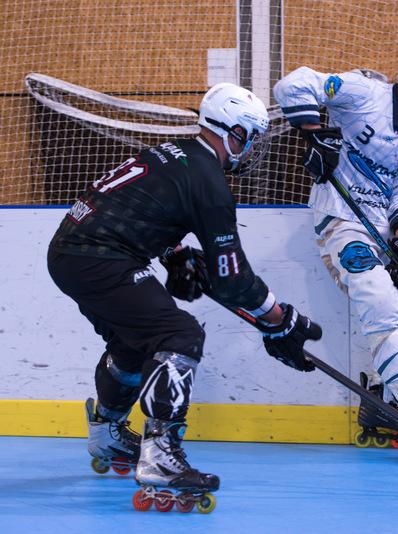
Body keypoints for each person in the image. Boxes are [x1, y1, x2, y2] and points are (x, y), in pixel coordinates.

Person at [47, 82, 322, 506]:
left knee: (135, 342)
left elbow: (137, 206)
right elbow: (233, 280)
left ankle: (106, 433)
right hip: (101, 258)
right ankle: (160, 456)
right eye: (253, 138)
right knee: (180, 335)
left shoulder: (174, 152)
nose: (255, 149)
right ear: (235, 133)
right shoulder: (209, 182)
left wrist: (175, 254)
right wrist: (280, 320)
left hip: (72, 251)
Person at [273, 47, 398, 455]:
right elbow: (293, 84)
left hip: (381, 232)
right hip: (341, 222)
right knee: (381, 302)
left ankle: (379, 398)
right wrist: (314, 135)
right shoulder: (363, 92)